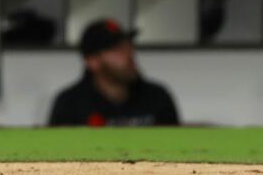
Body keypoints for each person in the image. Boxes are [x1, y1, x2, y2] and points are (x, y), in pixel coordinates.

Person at [48, 20, 179, 126]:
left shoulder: (157, 97)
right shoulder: (70, 104)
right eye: (117, 49)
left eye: (129, 46)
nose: (129, 54)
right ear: (92, 61)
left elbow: (176, 152)